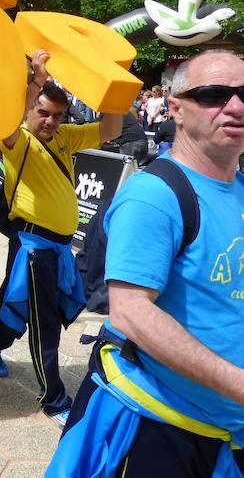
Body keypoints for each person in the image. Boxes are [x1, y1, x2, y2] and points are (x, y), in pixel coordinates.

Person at [47, 49, 244, 477]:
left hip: (225, 434)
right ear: (176, 109)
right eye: (213, 94)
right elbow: (132, 312)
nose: (236, 106)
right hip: (161, 428)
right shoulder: (155, 195)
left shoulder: (239, 188)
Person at [0, 50, 124, 429]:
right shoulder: (18, 139)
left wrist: (116, 88)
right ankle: (54, 397)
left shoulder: (63, 137)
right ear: (28, 111)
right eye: (43, 112)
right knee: (47, 324)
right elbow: (4, 124)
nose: (51, 121)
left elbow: (111, 130)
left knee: (27, 310)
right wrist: (36, 81)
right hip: (33, 247)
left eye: (57, 115)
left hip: (57, 247)